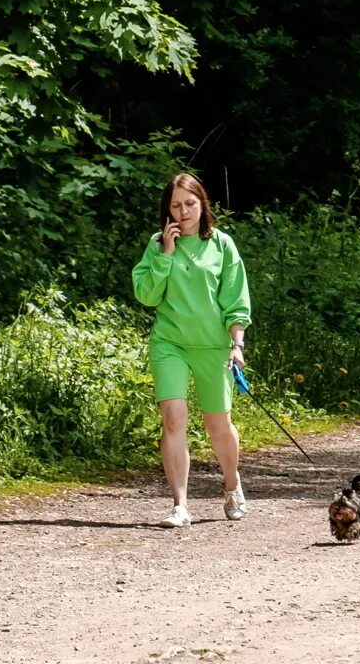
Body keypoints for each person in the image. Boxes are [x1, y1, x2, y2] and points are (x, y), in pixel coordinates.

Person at [132, 173, 252, 528]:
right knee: (172, 418)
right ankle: (180, 505)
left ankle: (231, 484)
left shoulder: (221, 244)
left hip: (213, 346)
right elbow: (147, 296)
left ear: (203, 204)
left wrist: (237, 344)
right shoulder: (157, 244)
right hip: (169, 342)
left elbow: (236, 301)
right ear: (166, 210)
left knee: (218, 424)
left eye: (189, 203)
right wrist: (165, 256)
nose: (183, 211)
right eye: (175, 205)